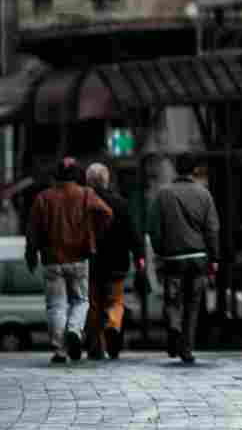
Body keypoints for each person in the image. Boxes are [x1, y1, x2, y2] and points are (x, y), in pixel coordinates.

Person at [26, 162, 113, 365]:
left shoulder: (43, 198)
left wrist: (31, 253)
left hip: (51, 259)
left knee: (56, 305)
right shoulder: (85, 194)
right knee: (81, 300)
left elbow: (32, 230)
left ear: (55, 176)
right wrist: (93, 234)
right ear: (77, 176)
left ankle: (60, 350)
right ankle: (74, 329)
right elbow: (106, 213)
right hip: (79, 257)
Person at [153, 152, 222, 365]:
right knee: (193, 306)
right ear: (194, 171)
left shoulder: (163, 194)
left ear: (176, 169)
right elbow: (212, 228)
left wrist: (160, 251)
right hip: (199, 258)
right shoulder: (204, 194)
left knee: (173, 300)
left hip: (174, 258)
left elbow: (154, 229)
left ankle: (174, 325)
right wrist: (215, 257)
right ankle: (187, 350)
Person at [82, 163, 143, 361]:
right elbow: (133, 235)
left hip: (91, 264)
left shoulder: (83, 203)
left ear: (88, 181)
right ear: (107, 180)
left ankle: (96, 348)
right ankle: (113, 325)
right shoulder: (121, 203)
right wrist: (138, 257)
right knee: (115, 301)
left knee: (94, 305)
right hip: (117, 263)